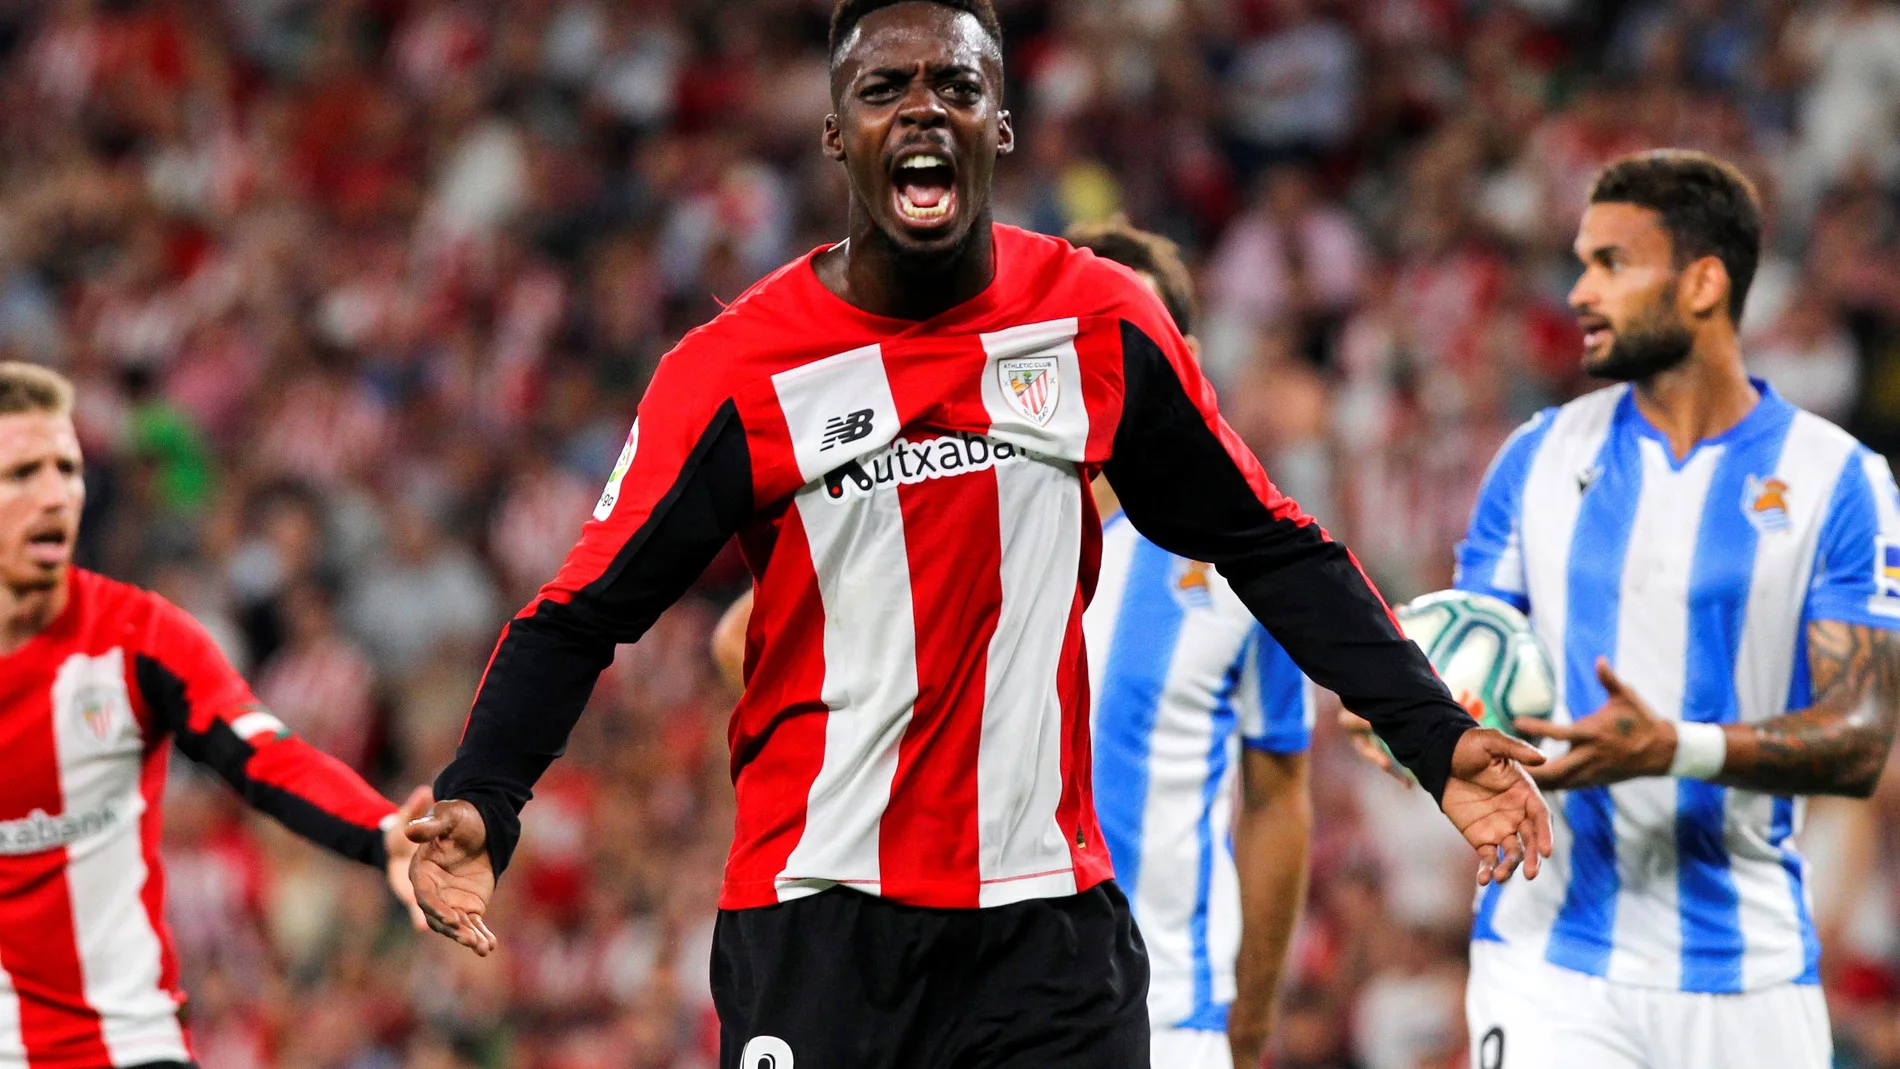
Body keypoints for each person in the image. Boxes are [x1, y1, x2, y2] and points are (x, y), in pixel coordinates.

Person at [407, 2, 1552, 1066]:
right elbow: (580, 613)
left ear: (998, 126)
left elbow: (1269, 543)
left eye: (954, 85)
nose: (921, 108)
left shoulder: (1096, 320)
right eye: (883, 87)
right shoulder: (738, 371)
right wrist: (484, 795)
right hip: (820, 921)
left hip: (1046, 930)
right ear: (832, 134)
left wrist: (1434, 737)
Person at [708, 218, 1317, 1069]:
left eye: (1137, 329)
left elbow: (1279, 795)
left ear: (1183, 353)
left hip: (1173, 1014)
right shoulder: (969, 516)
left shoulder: (1236, 562)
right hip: (980, 985)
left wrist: (1246, 1027)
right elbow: (741, 640)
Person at [1350, 150, 1900, 1069]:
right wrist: (1408, 719)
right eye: (1580, 260)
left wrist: (1676, 746)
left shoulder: (1839, 480)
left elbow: (1862, 734)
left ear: (1703, 282)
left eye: (1612, 262)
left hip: (1749, 973)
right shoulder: (1533, 460)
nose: (1579, 290)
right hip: (1548, 962)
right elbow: (1470, 661)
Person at [0, 361, 431, 1069]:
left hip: (123, 1041)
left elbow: (265, 753)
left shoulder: (137, 638)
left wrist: (379, 830)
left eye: (61, 472)